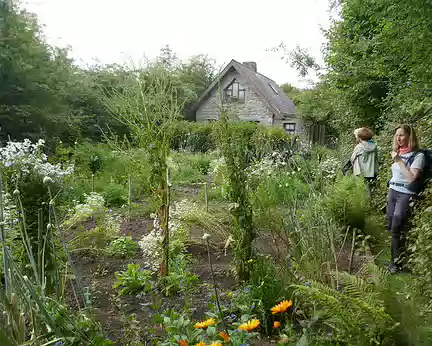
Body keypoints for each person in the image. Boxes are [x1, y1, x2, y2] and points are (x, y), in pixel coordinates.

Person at [387, 124, 425, 273]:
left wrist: (399, 161)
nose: (398, 138)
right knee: (392, 226)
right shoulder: (399, 152)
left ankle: (397, 263)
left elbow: (411, 178)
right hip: (393, 191)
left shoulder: (418, 156)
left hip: (406, 193)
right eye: (397, 135)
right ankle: (395, 260)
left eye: (402, 135)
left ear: (410, 136)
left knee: (397, 225)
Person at [350, 127, 379, 193]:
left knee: (362, 191)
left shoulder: (358, 147)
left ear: (359, 137)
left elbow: (352, 159)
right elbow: (376, 158)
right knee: (372, 190)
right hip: (372, 171)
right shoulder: (374, 146)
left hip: (361, 172)